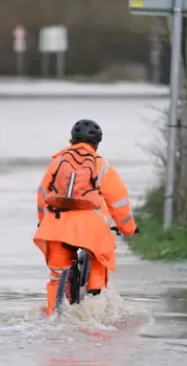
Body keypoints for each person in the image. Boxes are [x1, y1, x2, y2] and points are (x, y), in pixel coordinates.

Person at [33, 119, 139, 316]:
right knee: (100, 257)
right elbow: (118, 200)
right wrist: (128, 228)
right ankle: (95, 301)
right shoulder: (101, 165)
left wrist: (42, 222)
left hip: (55, 224)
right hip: (90, 227)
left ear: (71, 140)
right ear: (97, 144)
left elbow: (42, 195)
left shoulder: (57, 162)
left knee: (57, 275)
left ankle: (53, 315)